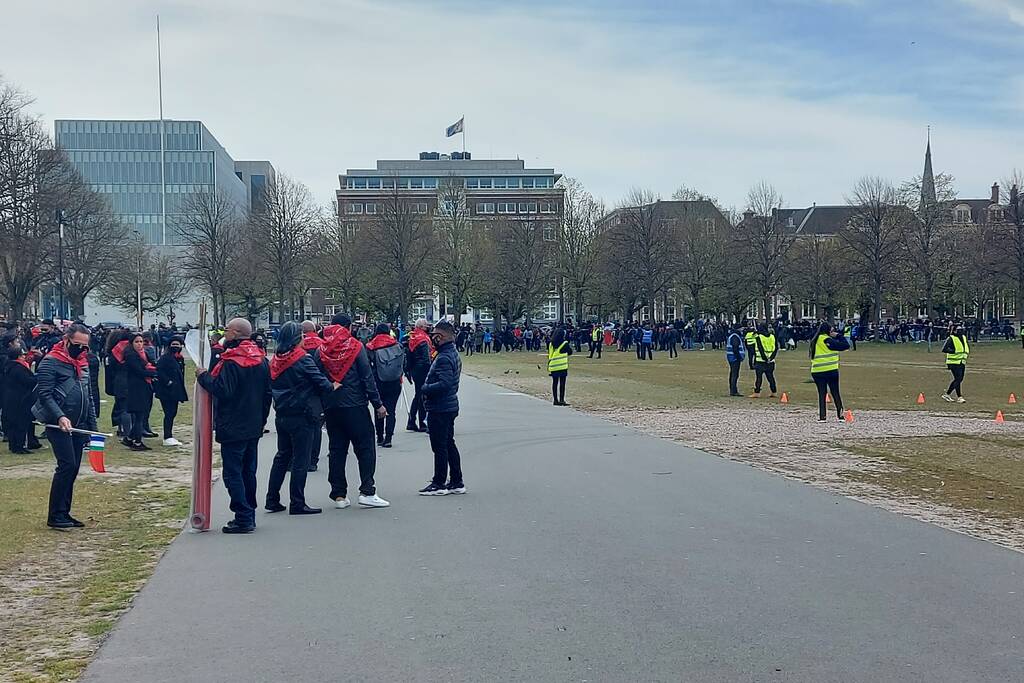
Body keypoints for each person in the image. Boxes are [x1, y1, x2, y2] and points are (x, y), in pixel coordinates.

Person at [196, 318, 272, 534]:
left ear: (236, 333)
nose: (224, 333)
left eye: (227, 330)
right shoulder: (261, 359)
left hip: (233, 424)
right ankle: (250, 513)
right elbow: (268, 393)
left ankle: (243, 516)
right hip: (253, 424)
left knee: (233, 473)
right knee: (249, 471)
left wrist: (203, 377)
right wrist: (262, 420)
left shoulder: (232, 361)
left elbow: (222, 390)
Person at [315, 314, 390, 510]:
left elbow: (316, 377)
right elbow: (367, 377)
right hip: (355, 404)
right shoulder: (356, 347)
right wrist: (378, 404)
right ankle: (367, 491)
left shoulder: (321, 350)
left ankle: (339, 494)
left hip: (331, 406)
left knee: (337, 449)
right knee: (365, 448)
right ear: (348, 328)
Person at [266, 321, 336, 515]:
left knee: (282, 456)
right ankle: (297, 502)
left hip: (282, 412)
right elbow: (322, 384)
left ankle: (272, 499)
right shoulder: (302, 359)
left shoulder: (275, 359)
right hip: (302, 413)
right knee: (301, 459)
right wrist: (333, 385)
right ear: (297, 338)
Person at [34, 324, 96, 529]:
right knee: (67, 465)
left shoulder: (82, 363)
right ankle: (55, 514)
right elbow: (45, 394)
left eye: (85, 346)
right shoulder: (50, 362)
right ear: (66, 340)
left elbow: (88, 397)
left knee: (74, 467)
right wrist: (60, 416)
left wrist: (93, 427)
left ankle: (64, 512)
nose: (82, 349)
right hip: (57, 423)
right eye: (78, 345)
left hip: (79, 423)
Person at [418, 320, 465, 496]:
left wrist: (425, 388)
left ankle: (439, 482)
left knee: (439, 446)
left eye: (435, 336)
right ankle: (456, 481)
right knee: (448, 443)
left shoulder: (444, 357)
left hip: (441, 406)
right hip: (447, 405)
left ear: (441, 336)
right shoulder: (450, 353)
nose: (432, 339)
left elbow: (445, 383)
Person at [366, 323, 404, 448]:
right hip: (395, 381)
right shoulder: (397, 345)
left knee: (379, 408)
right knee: (391, 410)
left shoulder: (371, 346)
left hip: (378, 382)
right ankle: (388, 438)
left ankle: (380, 437)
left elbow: (367, 366)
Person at [120, 333, 157, 451]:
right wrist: (153, 373)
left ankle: (130, 438)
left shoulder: (143, 354)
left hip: (144, 386)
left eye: (141, 341)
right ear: (131, 343)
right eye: (137, 342)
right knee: (139, 416)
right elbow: (139, 371)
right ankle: (137, 442)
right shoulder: (131, 355)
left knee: (141, 415)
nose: (140, 344)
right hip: (136, 388)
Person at [809, 322, 850, 422]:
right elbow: (845, 345)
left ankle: (822, 417)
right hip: (830, 370)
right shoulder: (827, 340)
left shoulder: (815, 340)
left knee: (822, 394)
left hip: (817, 371)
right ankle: (840, 416)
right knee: (835, 392)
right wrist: (839, 336)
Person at [4, 340, 38, 454]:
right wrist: (37, 378)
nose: (24, 356)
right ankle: (19, 446)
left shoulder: (9, 366)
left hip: (11, 398)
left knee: (13, 423)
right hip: (20, 399)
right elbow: (28, 381)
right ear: (18, 356)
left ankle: (13, 445)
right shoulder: (18, 368)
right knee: (21, 423)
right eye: (23, 355)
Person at [155, 337, 188, 447]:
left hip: (175, 390)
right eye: (173, 344)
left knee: (172, 413)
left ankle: (169, 435)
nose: (175, 347)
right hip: (166, 391)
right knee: (169, 413)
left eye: (177, 344)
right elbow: (159, 371)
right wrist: (168, 382)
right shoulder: (165, 358)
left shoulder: (179, 358)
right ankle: (167, 436)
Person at [404, 318, 433, 433]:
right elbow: (426, 359)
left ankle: (412, 421)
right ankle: (422, 422)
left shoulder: (412, 337)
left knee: (418, 395)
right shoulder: (423, 339)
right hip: (423, 370)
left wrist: (409, 371)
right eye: (426, 326)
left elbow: (409, 356)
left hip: (415, 370)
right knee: (422, 396)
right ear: (421, 327)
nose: (428, 327)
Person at [941, 325, 970, 403]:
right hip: (953, 362)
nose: (961, 331)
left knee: (959, 379)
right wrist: (953, 351)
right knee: (958, 379)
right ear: (954, 331)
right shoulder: (951, 338)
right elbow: (944, 349)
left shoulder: (963, 337)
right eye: (959, 330)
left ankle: (948, 395)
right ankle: (958, 396)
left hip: (961, 361)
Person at [750, 323, 779, 398]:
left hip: (760, 361)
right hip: (771, 361)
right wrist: (771, 358)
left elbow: (760, 349)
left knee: (759, 378)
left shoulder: (759, 337)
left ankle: (757, 392)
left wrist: (765, 359)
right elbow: (776, 348)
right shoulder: (772, 336)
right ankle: (774, 391)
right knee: (770, 377)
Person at [547, 327, 573, 406]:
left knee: (555, 383)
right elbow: (570, 352)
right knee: (562, 383)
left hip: (553, 365)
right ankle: (562, 400)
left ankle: (555, 400)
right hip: (562, 366)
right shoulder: (564, 343)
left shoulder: (551, 344)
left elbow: (550, 353)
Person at [725, 324, 745, 397]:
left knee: (733, 374)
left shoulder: (733, 335)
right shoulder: (735, 336)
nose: (742, 330)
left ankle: (733, 390)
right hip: (734, 358)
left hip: (732, 358)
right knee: (735, 374)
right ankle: (733, 391)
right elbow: (735, 348)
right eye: (741, 328)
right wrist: (739, 357)